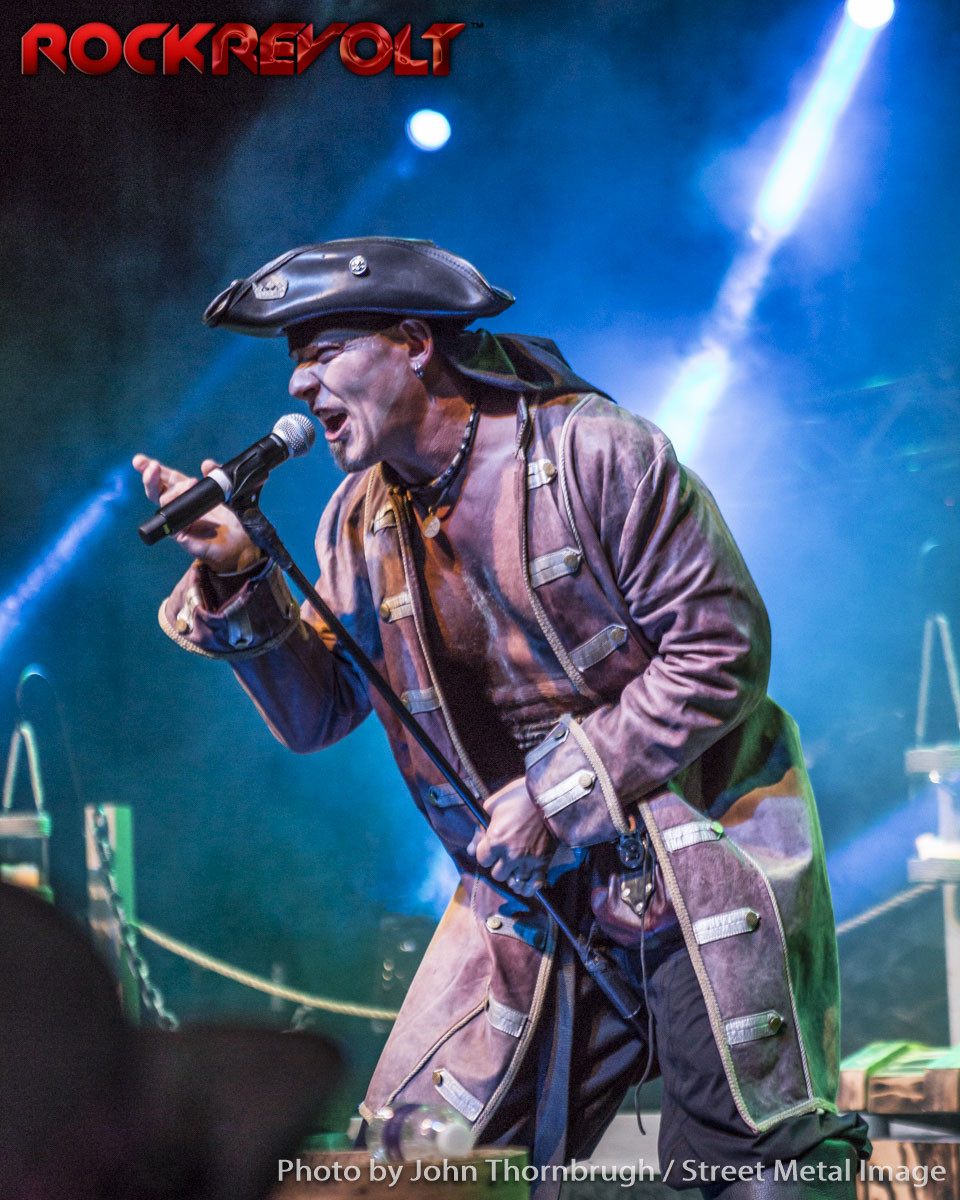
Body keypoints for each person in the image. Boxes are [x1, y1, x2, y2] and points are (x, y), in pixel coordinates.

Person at [134, 237, 866, 1198]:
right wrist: (238, 570)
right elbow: (318, 714)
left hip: (696, 851)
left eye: (323, 352)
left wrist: (557, 795)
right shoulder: (357, 520)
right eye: (294, 362)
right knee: (412, 1169)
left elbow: (720, 650)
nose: (300, 386)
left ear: (414, 342)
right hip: (528, 898)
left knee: (748, 1165)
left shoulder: (597, 451)